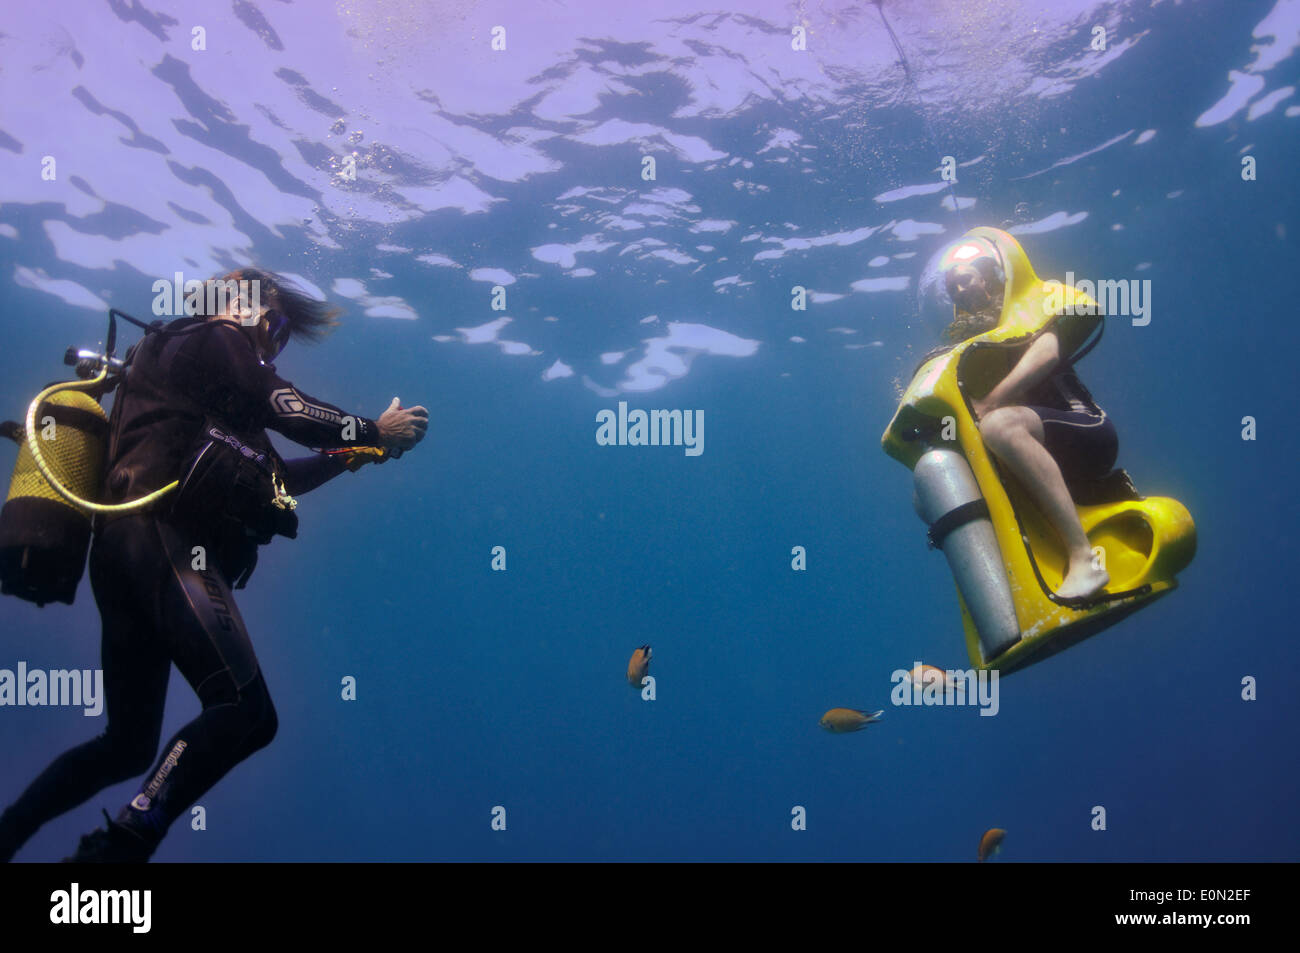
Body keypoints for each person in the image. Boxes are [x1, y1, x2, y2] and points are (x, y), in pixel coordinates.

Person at [0, 268, 429, 862]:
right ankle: (115, 853)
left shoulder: (201, 383)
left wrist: (356, 453)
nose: (273, 344)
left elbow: (279, 478)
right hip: (164, 543)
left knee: (127, 745)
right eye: (274, 325)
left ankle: (9, 835)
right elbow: (291, 408)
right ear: (239, 303)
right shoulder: (216, 338)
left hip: (126, 554)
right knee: (245, 710)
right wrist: (373, 429)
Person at [942, 250, 1115, 601]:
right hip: (1039, 448)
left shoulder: (1024, 311)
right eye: (952, 287)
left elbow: (1048, 353)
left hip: (1088, 433)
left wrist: (991, 402)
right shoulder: (974, 347)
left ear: (987, 280)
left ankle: (1085, 559)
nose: (959, 289)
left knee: (999, 426)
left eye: (965, 279)